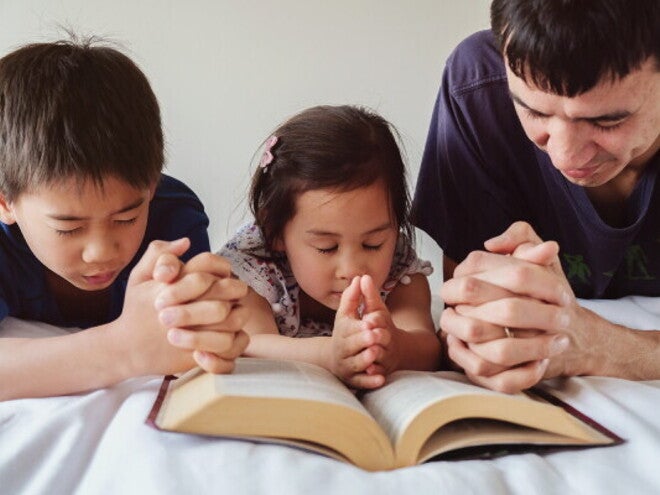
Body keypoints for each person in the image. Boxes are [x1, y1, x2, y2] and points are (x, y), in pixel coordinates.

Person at [412, 0, 660, 393]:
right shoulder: (479, 87)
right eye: (532, 111)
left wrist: (597, 345)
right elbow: (468, 317)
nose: (564, 157)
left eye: (606, 120)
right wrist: (480, 340)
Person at [0, 37, 249, 400]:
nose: (101, 252)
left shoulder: (172, 216)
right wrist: (121, 348)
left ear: (151, 187)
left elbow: (192, 334)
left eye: (127, 218)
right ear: (6, 203)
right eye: (68, 228)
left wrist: (208, 324)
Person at [220, 105, 440, 389]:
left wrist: (396, 345)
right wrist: (329, 354)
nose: (352, 270)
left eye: (373, 244)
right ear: (275, 232)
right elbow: (250, 344)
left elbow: (427, 345)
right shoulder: (254, 269)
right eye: (326, 247)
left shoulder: (400, 273)